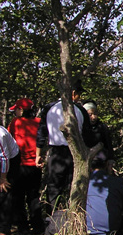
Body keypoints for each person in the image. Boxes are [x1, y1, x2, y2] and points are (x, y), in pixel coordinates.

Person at [36, 80, 95, 213]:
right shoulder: (80, 110)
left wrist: (38, 154)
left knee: (54, 188)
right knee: (74, 187)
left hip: (56, 153)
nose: (79, 97)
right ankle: (74, 217)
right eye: (79, 94)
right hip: (76, 152)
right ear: (73, 93)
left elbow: (42, 132)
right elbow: (88, 135)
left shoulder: (49, 108)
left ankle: (51, 219)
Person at [7, 98, 44, 235]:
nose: (15, 112)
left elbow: (8, 139)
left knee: (18, 197)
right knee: (33, 196)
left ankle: (22, 227)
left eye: (16, 109)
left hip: (19, 166)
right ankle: (37, 226)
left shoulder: (16, 123)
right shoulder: (39, 122)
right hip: (35, 166)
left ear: (21, 110)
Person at [85, 150, 123, 235]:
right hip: (111, 230)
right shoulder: (117, 182)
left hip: (87, 228)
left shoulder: (84, 182)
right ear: (107, 164)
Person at [83, 101, 115, 169]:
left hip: (100, 162)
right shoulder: (81, 127)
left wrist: (110, 159)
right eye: (90, 114)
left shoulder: (102, 127)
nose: (93, 117)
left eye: (95, 114)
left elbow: (108, 144)